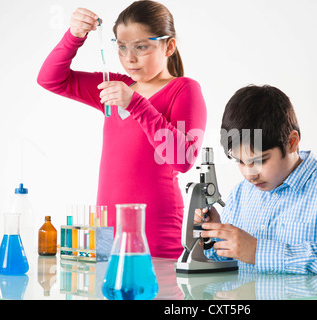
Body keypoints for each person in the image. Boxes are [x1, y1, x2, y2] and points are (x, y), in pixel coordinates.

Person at [37, 1, 207, 258]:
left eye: (141, 46)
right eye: (122, 47)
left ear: (168, 46)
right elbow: (51, 79)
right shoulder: (114, 87)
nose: (129, 58)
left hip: (156, 236)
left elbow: (183, 159)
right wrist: (74, 37)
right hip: (106, 235)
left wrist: (135, 104)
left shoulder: (183, 89)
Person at [197, 85, 317, 275]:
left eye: (259, 160)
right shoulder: (241, 194)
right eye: (240, 161)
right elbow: (228, 262)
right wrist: (212, 237)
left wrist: (258, 252)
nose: (249, 174)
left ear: (291, 142)